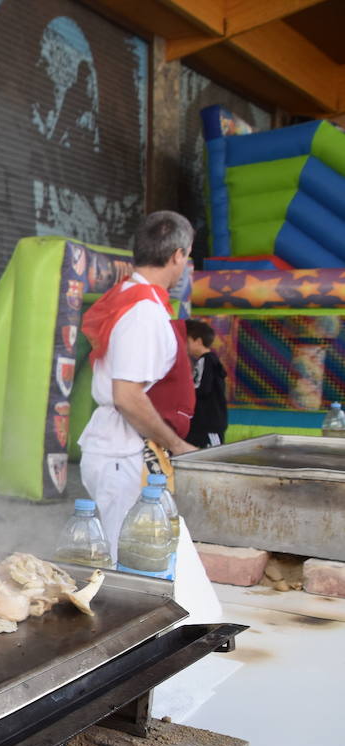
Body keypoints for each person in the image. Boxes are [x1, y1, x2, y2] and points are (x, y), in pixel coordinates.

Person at [78, 211, 199, 554]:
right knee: (129, 557)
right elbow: (127, 396)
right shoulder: (143, 312)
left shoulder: (130, 295)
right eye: (186, 257)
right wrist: (176, 444)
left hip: (123, 448)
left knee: (141, 551)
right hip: (121, 452)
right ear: (178, 255)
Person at [185, 319, 228, 448]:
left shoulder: (206, 360)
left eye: (187, 341)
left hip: (209, 424)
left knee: (210, 457)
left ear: (198, 341)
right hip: (203, 424)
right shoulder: (207, 361)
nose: (185, 345)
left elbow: (202, 388)